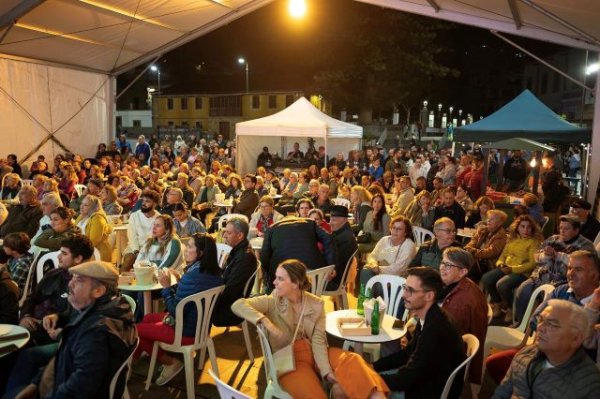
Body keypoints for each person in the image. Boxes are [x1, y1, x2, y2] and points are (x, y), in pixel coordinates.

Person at [232, 259, 389, 399]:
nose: (274, 282)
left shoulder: (316, 304)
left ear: (296, 283)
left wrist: (326, 371)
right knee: (312, 394)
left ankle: (376, 396)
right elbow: (238, 305)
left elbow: (319, 340)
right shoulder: (273, 301)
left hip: (316, 352)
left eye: (280, 279)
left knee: (353, 360)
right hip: (289, 360)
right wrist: (266, 322)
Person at [14, 261, 138, 399]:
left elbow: (81, 386)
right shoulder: (104, 309)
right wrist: (35, 384)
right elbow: (65, 357)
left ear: (98, 291)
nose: (70, 284)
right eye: (72, 278)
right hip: (57, 380)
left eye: (79, 280)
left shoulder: (96, 331)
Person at [135, 233, 223, 386]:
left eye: (189, 247)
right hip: (201, 327)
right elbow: (191, 295)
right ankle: (142, 350)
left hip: (184, 332)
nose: (185, 250)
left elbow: (175, 310)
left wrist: (166, 287)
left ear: (200, 253)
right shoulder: (214, 272)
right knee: (148, 318)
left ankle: (170, 363)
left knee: (135, 329)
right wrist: (180, 280)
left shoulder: (192, 275)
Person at [373, 267, 466, 398]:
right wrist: (373, 366)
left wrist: (371, 378)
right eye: (404, 287)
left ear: (429, 296)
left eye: (410, 290)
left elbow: (407, 377)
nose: (403, 295)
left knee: (355, 389)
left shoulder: (436, 329)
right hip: (425, 380)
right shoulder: (429, 316)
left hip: (428, 391)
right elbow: (408, 353)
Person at [492, 300, 600, 398]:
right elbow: (501, 394)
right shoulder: (525, 354)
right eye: (541, 319)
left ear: (576, 339)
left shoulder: (589, 386)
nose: (540, 327)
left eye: (552, 324)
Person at [514, 215, 595, 322]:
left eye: (566, 229)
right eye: (561, 228)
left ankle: (541, 326)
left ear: (576, 231)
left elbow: (581, 265)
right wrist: (546, 255)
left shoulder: (586, 245)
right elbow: (536, 257)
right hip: (540, 276)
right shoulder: (553, 239)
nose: (562, 231)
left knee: (550, 305)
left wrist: (557, 255)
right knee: (522, 291)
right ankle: (521, 323)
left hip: (562, 280)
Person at [20, 235, 94, 345]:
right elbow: (32, 298)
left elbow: (74, 317)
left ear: (78, 258)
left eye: (64, 254)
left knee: (23, 355)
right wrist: (26, 316)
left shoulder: (87, 285)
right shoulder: (53, 274)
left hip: (56, 335)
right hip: (32, 326)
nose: (58, 257)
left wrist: (43, 323)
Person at [439, 247, 488, 385]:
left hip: (446, 361)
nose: (442, 268)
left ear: (463, 272)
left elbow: (445, 336)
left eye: (448, 265)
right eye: (443, 262)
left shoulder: (462, 301)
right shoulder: (463, 285)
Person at [481, 215, 543, 322]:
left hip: (523, 273)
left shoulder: (533, 242)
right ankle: (498, 303)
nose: (526, 230)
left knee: (502, 284)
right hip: (506, 268)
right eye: (522, 226)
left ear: (532, 229)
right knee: (486, 278)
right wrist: (500, 264)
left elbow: (532, 264)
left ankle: (510, 307)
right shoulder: (512, 239)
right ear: (517, 228)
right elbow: (503, 255)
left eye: (529, 227)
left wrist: (513, 269)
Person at [260, 216, 334, 292]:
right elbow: (328, 239)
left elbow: (264, 256)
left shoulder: (271, 229)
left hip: (283, 277)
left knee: (270, 285)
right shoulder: (310, 224)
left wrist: (267, 275)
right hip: (313, 277)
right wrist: (331, 265)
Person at [212, 216, 257, 327]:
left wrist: (210, 299)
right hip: (228, 300)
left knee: (193, 304)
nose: (224, 236)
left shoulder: (244, 258)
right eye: (224, 232)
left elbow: (231, 290)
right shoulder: (239, 251)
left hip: (230, 309)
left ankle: (194, 339)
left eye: (228, 233)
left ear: (240, 235)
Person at [360, 216, 417, 286]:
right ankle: (366, 296)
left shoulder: (409, 246)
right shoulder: (384, 240)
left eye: (399, 229)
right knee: (365, 271)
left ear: (406, 232)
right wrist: (373, 264)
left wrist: (378, 269)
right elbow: (372, 256)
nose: (395, 231)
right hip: (379, 272)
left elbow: (397, 270)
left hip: (397, 280)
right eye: (393, 228)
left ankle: (370, 295)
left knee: (377, 285)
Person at [464, 209, 508, 282]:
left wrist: (473, 251)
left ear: (499, 223)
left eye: (492, 219)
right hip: (476, 260)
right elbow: (473, 241)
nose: (488, 221)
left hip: (488, 264)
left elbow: (491, 253)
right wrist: (469, 248)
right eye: (488, 218)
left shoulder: (501, 236)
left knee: (466, 271)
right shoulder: (482, 230)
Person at [121, 189, 160, 271]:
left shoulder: (159, 218)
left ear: (155, 204)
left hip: (152, 248)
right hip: (134, 247)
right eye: (143, 201)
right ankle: (119, 281)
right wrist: (136, 251)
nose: (144, 204)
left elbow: (158, 238)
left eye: (147, 201)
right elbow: (132, 236)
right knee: (128, 260)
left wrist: (146, 251)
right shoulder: (134, 216)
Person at [329, 205, 358, 290]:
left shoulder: (345, 238)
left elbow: (336, 264)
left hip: (335, 280)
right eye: (330, 219)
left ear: (344, 220)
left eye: (334, 220)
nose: (330, 222)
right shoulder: (342, 232)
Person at [76, 195, 112, 261]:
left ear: (94, 207)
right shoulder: (81, 216)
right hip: (81, 249)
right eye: (81, 204)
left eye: (85, 205)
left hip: (95, 252)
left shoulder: (97, 218)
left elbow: (93, 241)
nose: (81, 207)